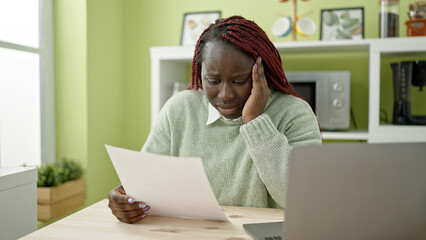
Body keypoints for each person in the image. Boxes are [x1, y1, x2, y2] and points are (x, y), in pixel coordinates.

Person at [108, 15, 322, 224]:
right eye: (213, 80)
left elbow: (301, 200)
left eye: (239, 81)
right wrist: (126, 199)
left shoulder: (295, 113)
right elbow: (145, 183)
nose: (225, 94)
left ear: (261, 73)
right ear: (199, 73)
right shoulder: (179, 110)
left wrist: (255, 120)